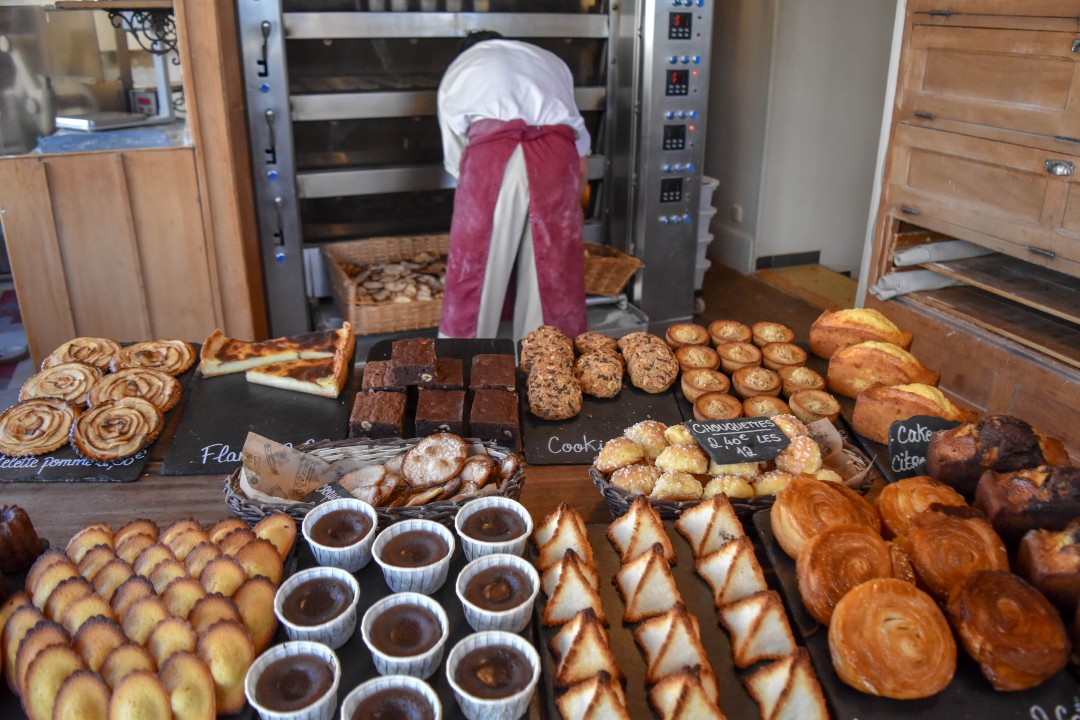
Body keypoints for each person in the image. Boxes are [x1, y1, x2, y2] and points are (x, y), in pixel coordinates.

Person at [436, 31, 590, 340]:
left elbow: (457, 158)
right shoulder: (551, 61)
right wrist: (572, 207)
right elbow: (579, 145)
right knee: (551, 269)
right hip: (559, 155)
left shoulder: (462, 66)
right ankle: (547, 373)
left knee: (478, 269)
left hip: (494, 153)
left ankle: (461, 371)